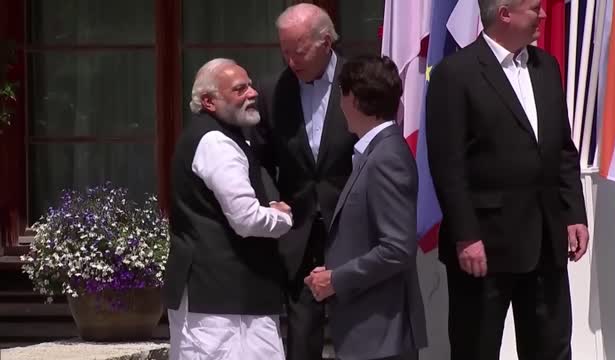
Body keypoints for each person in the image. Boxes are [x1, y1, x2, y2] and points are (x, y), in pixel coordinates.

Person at [426, 1, 589, 359]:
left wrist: (574, 212)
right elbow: (447, 164)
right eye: (534, 8)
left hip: (546, 240)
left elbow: (561, 148)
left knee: (552, 348)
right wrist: (467, 235)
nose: (543, 15)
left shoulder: (547, 67)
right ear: (504, 14)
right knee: (477, 348)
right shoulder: (455, 74)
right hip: (485, 246)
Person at [163, 58, 293, 360]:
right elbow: (246, 219)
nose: (252, 93)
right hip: (221, 304)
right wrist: (282, 217)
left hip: (224, 298)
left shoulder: (216, 137)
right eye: (239, 89)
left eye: (249, 85)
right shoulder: (216, 143)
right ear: (209, 101)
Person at [249, 3, 357, 359]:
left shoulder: (358, 79)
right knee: (301, 339)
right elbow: (258, 161)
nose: (291, 61)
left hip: (352, 227)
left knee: (358, 335)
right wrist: (272, 202)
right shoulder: (272, 90)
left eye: (298, 51)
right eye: (285, 52)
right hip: (299, 233)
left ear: (326, 43)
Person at [304, 55, 428, 360]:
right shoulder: (375, 152)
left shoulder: (386, 157)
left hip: (382, 332)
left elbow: (397, 248)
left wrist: (336, 279)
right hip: (368, 332)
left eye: (341, 96)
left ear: (354, 101)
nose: (339, 105)